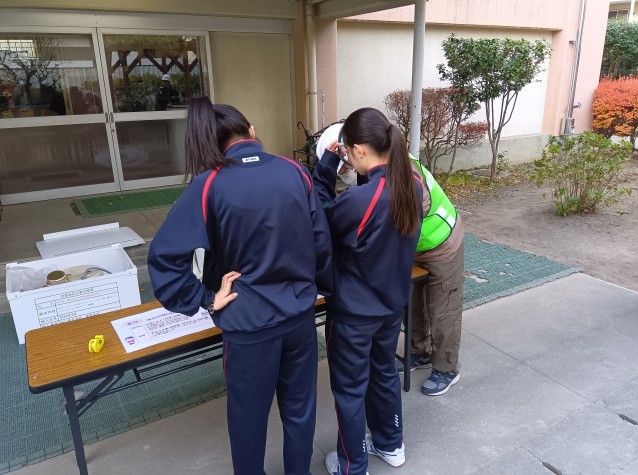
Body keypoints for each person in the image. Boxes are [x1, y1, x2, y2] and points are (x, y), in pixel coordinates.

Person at [147, 97, 333, 474]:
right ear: (251, 131)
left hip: (248, 327)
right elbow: (321, 241)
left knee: (248, 423)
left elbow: (164, 257)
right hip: (299, 317)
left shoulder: (209, 185)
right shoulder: (295, 171)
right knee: (300, 411)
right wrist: (323, 287)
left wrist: (204, 298)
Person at [313, 107, 422, 475]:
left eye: (347, 150)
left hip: (353, 314)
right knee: (383, 373)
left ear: (358, 150)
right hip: (391, 306)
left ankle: (352, 465)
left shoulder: (359, 201)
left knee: (349, 389)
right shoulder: (412, 185)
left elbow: (320, 220)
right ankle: (391, 445)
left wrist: (327, 166)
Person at [398, 153, 465, 397]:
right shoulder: (376, 166)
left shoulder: (406, 171)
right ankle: (419, 352)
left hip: (443, 243)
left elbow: (417, 209)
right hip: (414, 247)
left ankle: (446, 369)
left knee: (442, 310)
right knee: (413, 303)